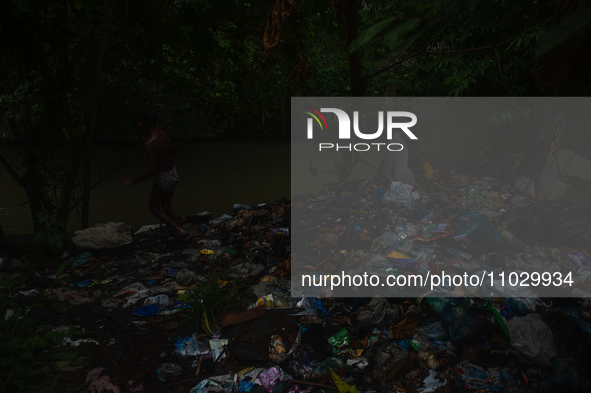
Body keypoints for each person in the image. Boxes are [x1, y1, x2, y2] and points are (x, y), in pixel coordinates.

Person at [119, 107, 189, 241]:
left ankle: (179, 231)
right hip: (173, 173)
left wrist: (134, 180)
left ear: (140, 125)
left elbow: (153, 169)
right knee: (166, 205)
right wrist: (165, 162)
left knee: (153, 207)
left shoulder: (149, 143)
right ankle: (179, 228)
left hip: (163, 178)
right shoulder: (163, 134)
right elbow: (175, 152)